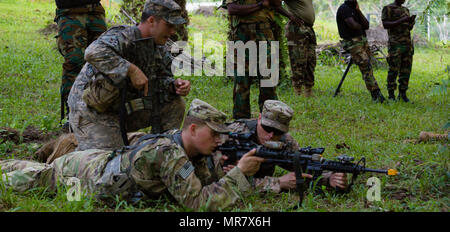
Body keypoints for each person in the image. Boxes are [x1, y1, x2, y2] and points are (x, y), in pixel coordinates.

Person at [0, 100, 264, 211]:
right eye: (214, 133)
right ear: (192, 129)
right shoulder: (169, 154)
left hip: (99, 163)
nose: (220, 139)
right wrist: (239, 173)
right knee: (32, 179)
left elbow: (207, 185)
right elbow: (198, 204)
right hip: (83, 175)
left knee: (35, 171)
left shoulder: (189, 149)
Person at [68, 0, 191, 151]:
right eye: (169, 25)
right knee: (110, 164)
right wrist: (131, 70)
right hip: (92, 111)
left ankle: (159, 150)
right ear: (152, 21)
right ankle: (73, 151)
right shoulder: (123, 36)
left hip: (122, 108)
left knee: (175, 103)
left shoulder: (160, 48)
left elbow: (160, 80)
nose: (173, 31)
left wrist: (174, 86)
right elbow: (92, 52)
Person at [221, 100, 348, 193]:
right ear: (259, 118)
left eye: (277, 132)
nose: (271, 135)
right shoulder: (232, 135)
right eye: (267, 128)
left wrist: (329, 178)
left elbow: (302, 166)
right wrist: (278, 182)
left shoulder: (285, 142)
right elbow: (227, 185)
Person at [223, 0, 281, 119]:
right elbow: (232, 9)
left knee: (268, 81)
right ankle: (241, 123)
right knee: (242, 82)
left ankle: (270, 121)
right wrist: (260, 5)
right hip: (242, 35)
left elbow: (277, 2)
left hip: (265, 35)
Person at [279, 0, 329, 97]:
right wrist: (289, 15)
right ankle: (297, 91)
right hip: (297, 30)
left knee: (310, 61)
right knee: (298, 61)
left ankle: (308, 90)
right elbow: (274, 1)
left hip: (309, 29)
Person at [336, 0, 385, 102]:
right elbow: (354, 26)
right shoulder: (344, 9)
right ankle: (376, 94)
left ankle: (375, 92)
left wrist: (358, 11)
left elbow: (366, 25)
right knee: (365, 65)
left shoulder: (355, 9)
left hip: (362, 40)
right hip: (352, 42)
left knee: (368, 66)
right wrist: (360, 25)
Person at [382, 0, 416, 102]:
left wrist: (411, 22)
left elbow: (408, 28)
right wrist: (402, 20)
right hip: (395, 46)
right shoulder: (388, 8)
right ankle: (391, 95)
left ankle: (403, 94)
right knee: (393, 70)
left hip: (407, 45)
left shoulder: (406, 10)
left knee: (406, 71)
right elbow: (386, 24)